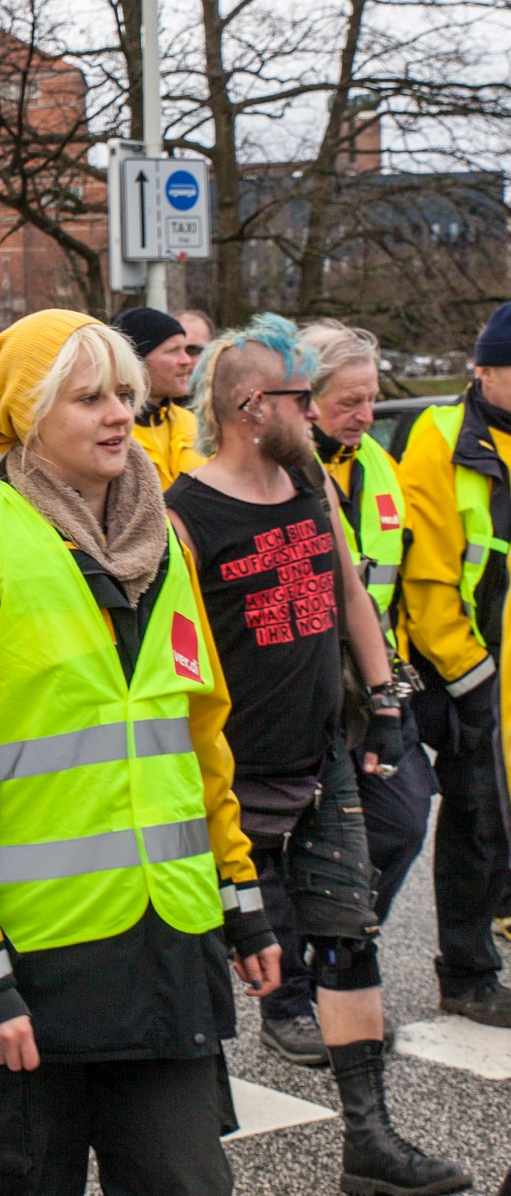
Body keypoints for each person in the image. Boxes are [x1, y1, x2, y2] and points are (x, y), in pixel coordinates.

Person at [0, 311, 276, 1196]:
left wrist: (242, 898)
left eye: (125, 395)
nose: (118, 416)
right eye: (88, 398)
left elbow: (200, 742)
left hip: (165, 957)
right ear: (28, 416)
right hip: (33, 977)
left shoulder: (165, 549)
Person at [169, 314, 464, 1194]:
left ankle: (368, 1141)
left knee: (348, 937)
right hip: (227, 777)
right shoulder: (185, 512)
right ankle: (179, 1149)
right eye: (303, 397)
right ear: (254, 406)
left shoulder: (308, 483)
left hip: (322, 755)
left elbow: (346, 590)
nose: (319, 411)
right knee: (200, 961)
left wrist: (381, 702)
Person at [240, 319, 440, 1062]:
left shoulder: (377, 467)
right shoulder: (269, 472)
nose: (364, 414)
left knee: (400, 820)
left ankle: (338, 951)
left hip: (371, 686)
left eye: (372, 399)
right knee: (292, 848)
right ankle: (291, 998)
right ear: (306, 398)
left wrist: (393, 691)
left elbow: (376, 587)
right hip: (298, 690)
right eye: (350, 400)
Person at [397, 300, 511, 1028]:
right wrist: (470, 676)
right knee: (478, 822)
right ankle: (466, 973)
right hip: (477, 669)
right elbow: (430, 577)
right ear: (482, 371)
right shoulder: (441, 438)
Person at [113, 306, 205, 489]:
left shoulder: (193, 422)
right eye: (173, 351)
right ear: (137, 360)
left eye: (187, 350)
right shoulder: (113, 429)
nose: (186, 360)